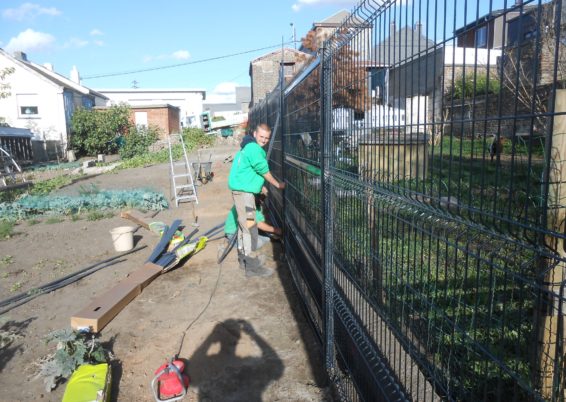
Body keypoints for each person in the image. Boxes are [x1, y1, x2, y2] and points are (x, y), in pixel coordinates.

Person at [228, 123, 285, 277]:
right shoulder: (253, 149)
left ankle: (244, 260)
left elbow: (247, 171)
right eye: (262, 136)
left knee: (245, 226)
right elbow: (262, 169)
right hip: (245, 194)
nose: (264, 140)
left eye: (267, 138)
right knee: (249, 227)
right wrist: (277, 184)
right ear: (254, 134)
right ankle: (251, 267)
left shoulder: (247, 147)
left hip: (242, 192)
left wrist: (259, 188)